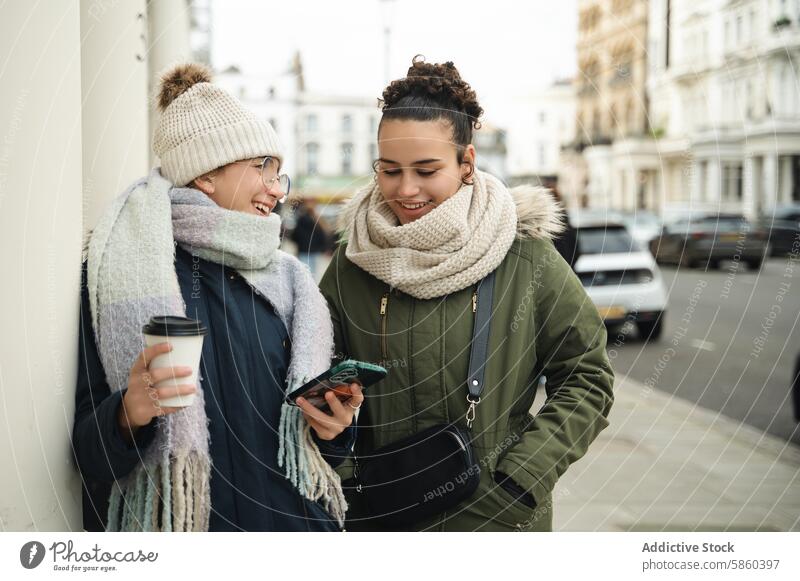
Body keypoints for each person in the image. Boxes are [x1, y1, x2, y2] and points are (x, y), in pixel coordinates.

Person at [319, 56, 614, 531]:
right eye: (389, 170)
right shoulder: (351, 265)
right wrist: (347, 471)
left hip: (496, 525)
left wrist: (521, 479)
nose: (406, 188)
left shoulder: (525, 256)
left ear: (467, 163)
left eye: (427, 169)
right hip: (382, 521)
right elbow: (319, 380)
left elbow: (587, 376)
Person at [72, 63, 362, 532]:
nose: (276, 188)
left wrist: (335, 429)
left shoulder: (290, 283)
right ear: (206, 176)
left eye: (279, 173)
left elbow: (311, 453)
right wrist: (128, 413)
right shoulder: (116, 273)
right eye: (261, 168)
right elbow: (86, 452)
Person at [291, 199, 334, 279]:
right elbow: (323, 235)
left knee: (303, 273)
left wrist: (298, 244)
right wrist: (324, 248)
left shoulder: (300, 220)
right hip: (314, 251)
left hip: (303, 250)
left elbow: (295, 235)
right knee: (312, 273)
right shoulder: (317, 221)